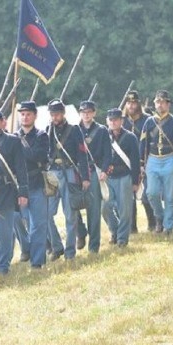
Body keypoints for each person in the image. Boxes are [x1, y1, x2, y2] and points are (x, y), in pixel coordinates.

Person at [0, 108, 29, 276]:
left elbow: (21, 169)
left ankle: (3, 267)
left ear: (3, 122)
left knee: (5, 232)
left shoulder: (13, 141)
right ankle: (1, 255)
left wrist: (23, 192)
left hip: (7, 191)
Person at [140, 90, 173, 235]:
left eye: (162, 102)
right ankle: (159, 217)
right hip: (153, 160)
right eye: (157, 102)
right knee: (151, 193)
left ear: (168, 104)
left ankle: (168, 226)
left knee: (170, 196)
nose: (159, 104)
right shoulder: (149, 122)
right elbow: (143, 143)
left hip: (170, 159)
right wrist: (142, 163)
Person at [46, 99, 90, 260]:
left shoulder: (74, 130)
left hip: (69, 172)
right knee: (46, 213)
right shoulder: (48, 129)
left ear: (63, 113)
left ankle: (70, 252)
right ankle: (57, 247)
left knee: (70, 214)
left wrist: (85, 177)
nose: (55, 117)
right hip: (52, 173)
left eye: (57, 113)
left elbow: (82, 154)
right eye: (52, 114)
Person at [16, 101, 51, 268]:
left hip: (37, 183)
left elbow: (39, 156)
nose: (25, 116)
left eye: (28, 113)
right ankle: (27, 249)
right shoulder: (13, 137)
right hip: (19, 186)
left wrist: (18, 147)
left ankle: (37, 262)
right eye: (22, 114)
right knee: (18, 221)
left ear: (35, 115)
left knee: (38, 225)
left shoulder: (41, 136)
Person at [76, 100, 111, 251]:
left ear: (94, 113)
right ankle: (81, 232)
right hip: (77, 172)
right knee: (71, 206)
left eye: (89, 112)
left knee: (94, 210)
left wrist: (104, 170)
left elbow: (107, 154)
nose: (86, 114)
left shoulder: (102, 130)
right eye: (83, 112)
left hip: (94, 171)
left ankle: (94, 246)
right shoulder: (74, 130)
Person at [103, 108, 140, 247]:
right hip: (109, 176)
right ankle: (115, 230)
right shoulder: (104, 135)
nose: (113, 122)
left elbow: (135, 160)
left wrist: (135, 181)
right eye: (110, 120)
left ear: (121, 121)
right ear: (107, 121)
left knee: (125, 211)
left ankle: (122, 239)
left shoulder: (130, 137)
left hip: (125, 176)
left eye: (116, 120)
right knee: (105, 207)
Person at [122, 90, 156, 233]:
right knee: (129, 196)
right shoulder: (121, 121)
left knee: (147, 195)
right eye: (129, 102)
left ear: (138, 103)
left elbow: (154, 141)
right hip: (126, 163)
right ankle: (132, 227)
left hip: (146, 160)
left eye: (134, 102)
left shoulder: (148, 120)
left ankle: (153, 223)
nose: (131, 105)